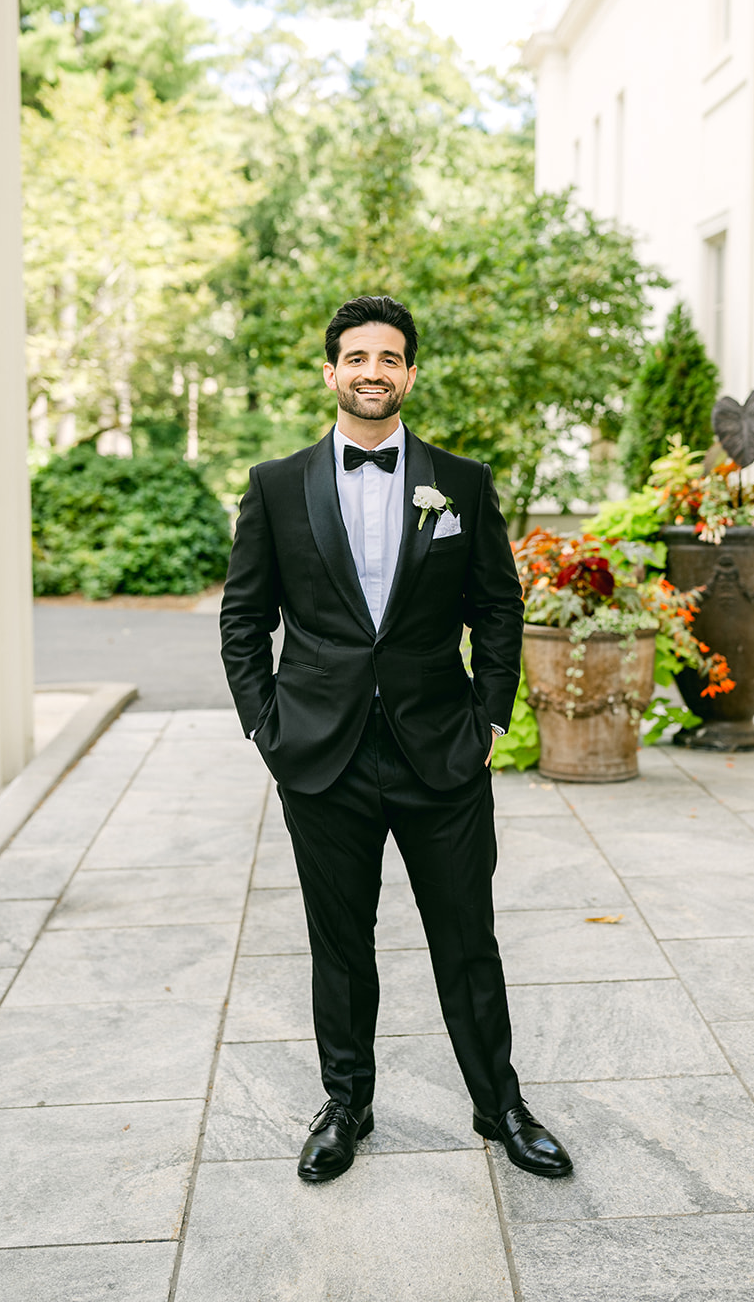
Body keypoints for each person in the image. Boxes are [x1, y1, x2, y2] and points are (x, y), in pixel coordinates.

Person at [220, 295, 573, 1184]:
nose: (371, 371)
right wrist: (268, 727)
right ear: (330, 372)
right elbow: (243, 619)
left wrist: (490, 718)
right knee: (340, 944)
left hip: (439, 752)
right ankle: (346, 1105)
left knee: (467, 938)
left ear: (409, 373)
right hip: (320, 756)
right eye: (355, 357)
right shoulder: (273, 485)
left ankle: (500, 1106)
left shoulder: (462, 483)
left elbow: (496, 607)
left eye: (389, 358)